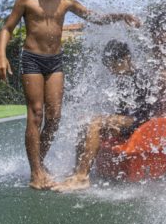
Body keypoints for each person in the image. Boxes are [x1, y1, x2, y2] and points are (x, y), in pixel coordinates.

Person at [0, 0, 140, 190]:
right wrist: (1, 55)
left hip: (55, 62)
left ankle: (39, 164)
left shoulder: (66, 3)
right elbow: (7, 28)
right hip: (32, 59)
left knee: (54, 117)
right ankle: (36, 174)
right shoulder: (26, 0)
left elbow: (95, 17)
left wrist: (121, 16)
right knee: (36, 113)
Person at [51, 40, 158, 192]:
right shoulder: (123, 78)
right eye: (109, 67)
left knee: (95, 123)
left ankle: (82, 178)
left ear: (126, 58)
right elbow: (122, 110)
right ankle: (77, 171)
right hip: (129, 121)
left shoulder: (141, 77)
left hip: (142, 123)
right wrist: (115, 123)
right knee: (85, 121)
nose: (112, 70)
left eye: (114, 65)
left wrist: (118, 123)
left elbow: (147, 113)